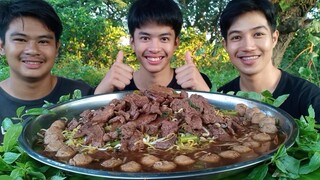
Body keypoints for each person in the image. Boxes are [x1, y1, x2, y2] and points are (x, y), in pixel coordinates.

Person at [0, 0, 96, 141]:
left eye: (43, 41)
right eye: (20, 40)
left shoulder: (83, 95)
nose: (32, 50)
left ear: (56, 47)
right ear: (2, 46)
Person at [217, 0, 320, 122]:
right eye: (236, 37)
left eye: (258, 34)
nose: (248, 47)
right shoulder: (221, 98)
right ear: (225, 45)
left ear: (274, 38)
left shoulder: (310, 99)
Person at [94, 0, 212, 94]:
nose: (155, 48)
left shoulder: (195, 82)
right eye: (145, 38)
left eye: (164, 39)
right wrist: (98, 96)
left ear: (176, 43)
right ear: (133, 42)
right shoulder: (114, 86)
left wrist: (206, 94)